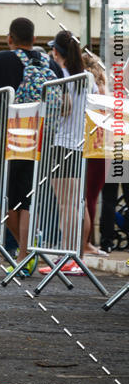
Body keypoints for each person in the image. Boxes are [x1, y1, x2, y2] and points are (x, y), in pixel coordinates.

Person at [0, 17, 62, 275]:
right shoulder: (48, 62)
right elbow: (63, 99)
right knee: (25, 196)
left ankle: (25, 248)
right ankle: (25, 251)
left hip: (9, 136)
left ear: (9, 38)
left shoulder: (3, 58)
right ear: (34, 39)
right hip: (38, 137)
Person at [48, 30, 98, 262]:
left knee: (65, 204)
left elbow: (58, 109)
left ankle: (66, 255)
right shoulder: (88, 79)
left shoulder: (59, 76)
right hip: (81, 146)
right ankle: (75, 253)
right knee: (78, 202)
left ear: (57, 51)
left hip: (61, 143)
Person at [82, 52, 108, 255]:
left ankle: (84, 241)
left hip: (86, 143)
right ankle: (86, 242)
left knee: (83, 197)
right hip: (98, 144)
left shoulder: (84, 84)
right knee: (90, 196)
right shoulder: (102, 89)